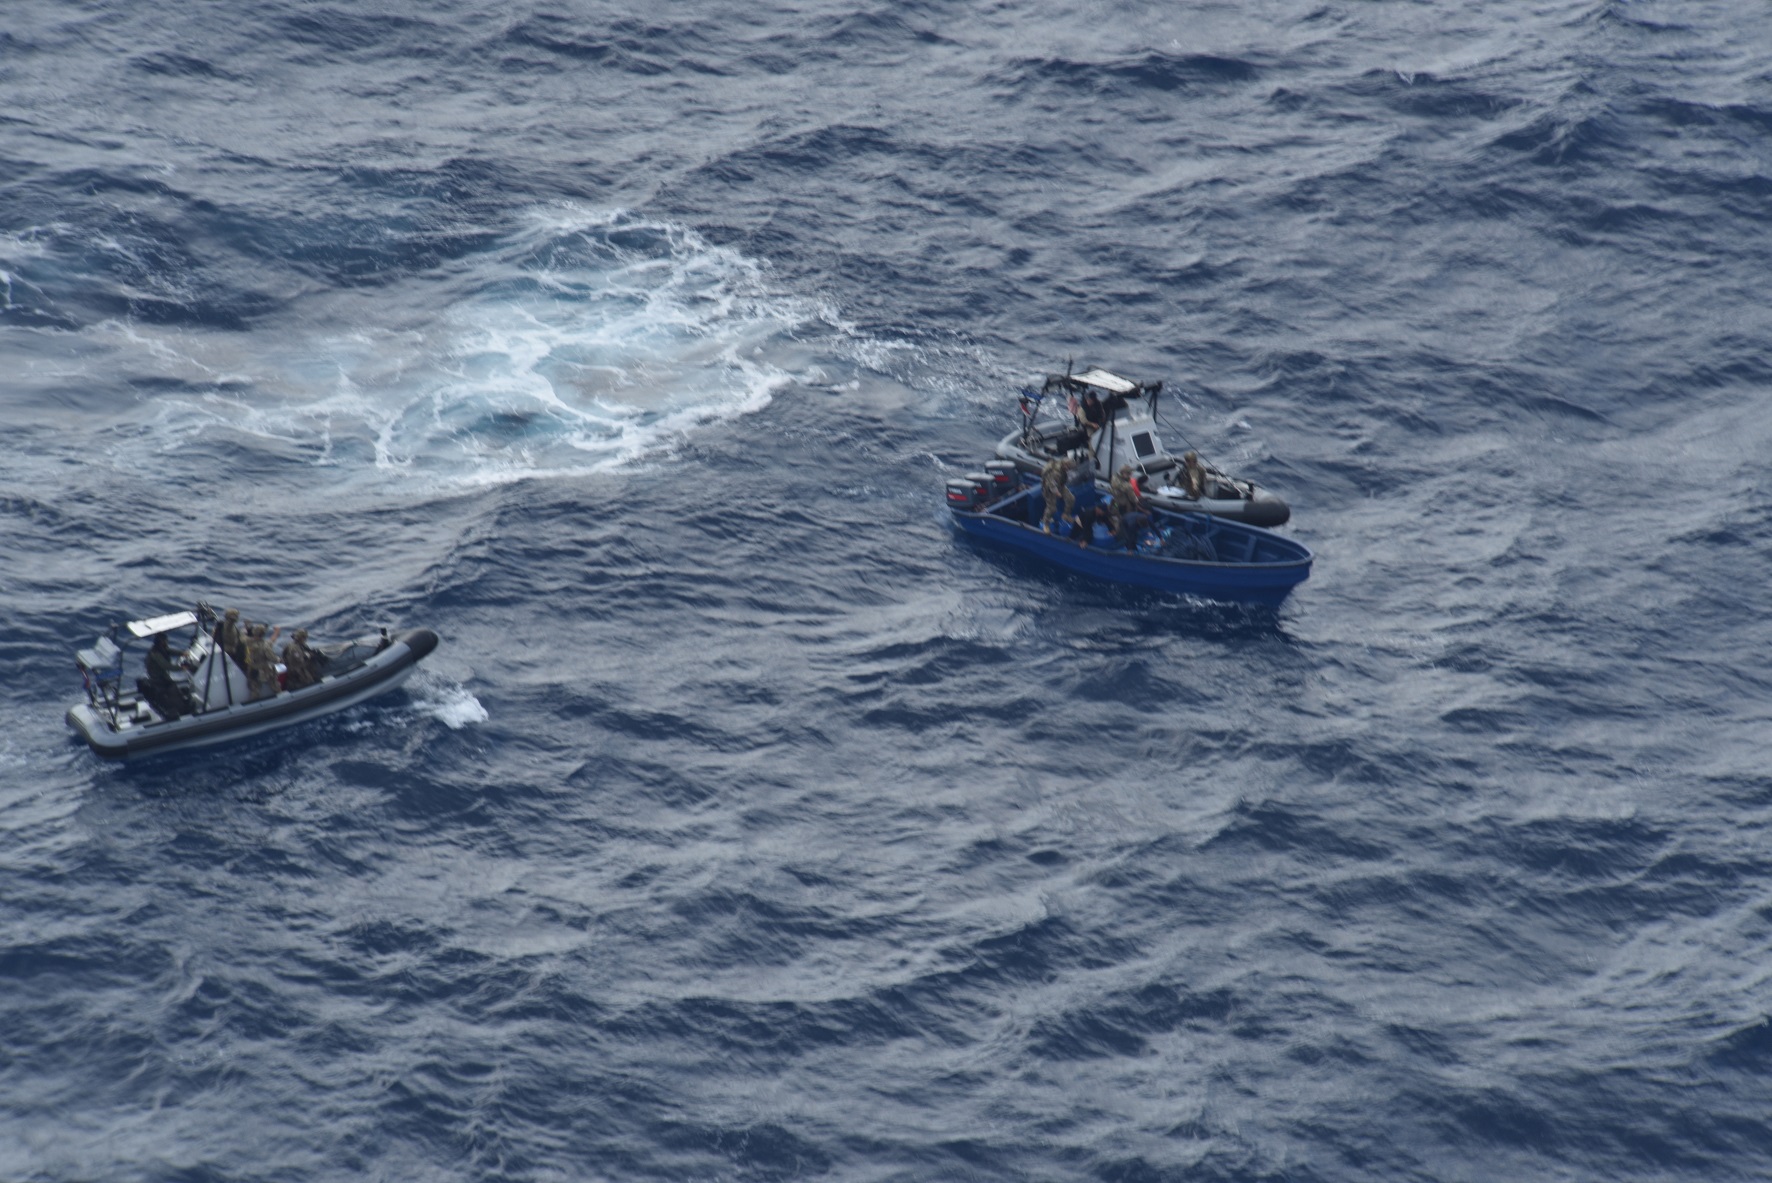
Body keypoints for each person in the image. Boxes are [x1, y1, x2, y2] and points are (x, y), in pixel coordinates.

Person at [138, 632, 185, 720]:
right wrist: (182, 668)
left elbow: (170, 651)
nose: (167, 642)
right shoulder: (156, 653)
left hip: (160, 676)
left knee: (173, 686)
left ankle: (181, 704)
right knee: (173, 687)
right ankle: (182, 708)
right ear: (161, 641)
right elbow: (167, 666)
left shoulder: (160, 649)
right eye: (165, 640)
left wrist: (183, 653)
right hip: (158, 678)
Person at [244, 623, 282, 700]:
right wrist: (279, 660)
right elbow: (273, 658)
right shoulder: (265, 646)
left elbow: (242, 636)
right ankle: (281, 697)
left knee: (255, 690)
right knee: (275, 684)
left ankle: (254, 703)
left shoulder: (246, 641)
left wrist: (245, 628)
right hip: (263, 671)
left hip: (251, 669)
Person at [1040, 455, 1077, 533]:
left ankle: (1066, 515)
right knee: (1052, 508)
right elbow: (1051, 486)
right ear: (1065, 465)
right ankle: (1045, 524)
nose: (1069, 470)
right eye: (1069, 468)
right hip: (1049, 489)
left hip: (1059, 485)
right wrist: (1058, 494)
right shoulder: (1056, 473)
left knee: (1071, 498)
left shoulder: (1062, 469)